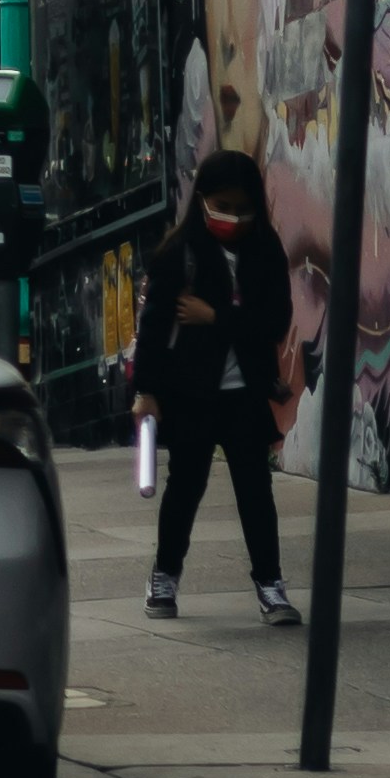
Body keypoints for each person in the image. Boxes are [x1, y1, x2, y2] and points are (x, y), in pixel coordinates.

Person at [133, 147, 299, 622]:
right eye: (222, 206)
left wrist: (215, 316)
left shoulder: (266, 253)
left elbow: (275, 323)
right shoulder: (178, 256)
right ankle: (164, 577)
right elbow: (153, 328)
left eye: (243, 207)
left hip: (244, 395)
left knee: (255, 491)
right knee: (184, 488)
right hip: (190, 395)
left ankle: (271, 586)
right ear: (202, 200)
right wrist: (146, 393)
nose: (232, 217)